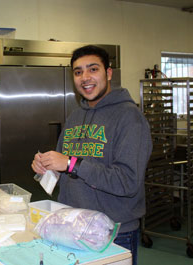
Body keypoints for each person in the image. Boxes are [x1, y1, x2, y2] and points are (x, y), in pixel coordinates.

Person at [31, 45, 152, 265]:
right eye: (78, 72)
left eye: (93, 69)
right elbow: (65, 168)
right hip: (70, 226)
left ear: (108, 73)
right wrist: (46, 167)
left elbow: (127, 182)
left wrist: (71, 164)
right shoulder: (76, 116)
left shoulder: (130, 118)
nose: (85, 77)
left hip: (112, 233)